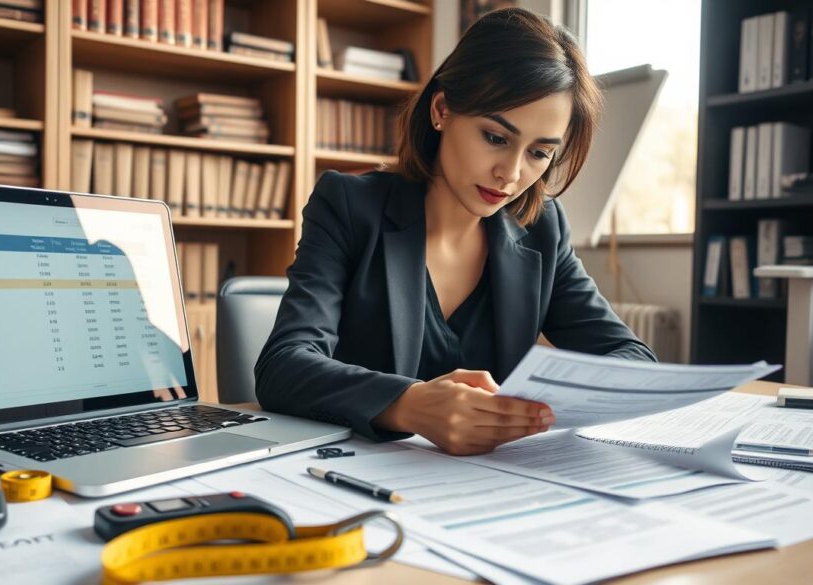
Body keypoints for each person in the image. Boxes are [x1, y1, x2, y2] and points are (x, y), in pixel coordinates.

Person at [255, 8, 657, 456]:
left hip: (489, 485)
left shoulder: (542, 228)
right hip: (358, 475)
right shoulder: (349, 206)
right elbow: (283, 367)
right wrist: (409, 404)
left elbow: (631, 360)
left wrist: (540, 405)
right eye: (495, 137)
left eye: (540, 153)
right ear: (442, 109)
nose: (511, 173)